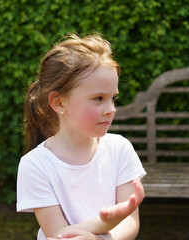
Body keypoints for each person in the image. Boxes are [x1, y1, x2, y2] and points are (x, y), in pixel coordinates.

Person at [16, 33, 146, 240]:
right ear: (59, 103)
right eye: (98, 98)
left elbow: (130, 223)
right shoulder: (35, 165)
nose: (111, 109)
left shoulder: (120, 149)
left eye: (113, 98)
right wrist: (105, 222)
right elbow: (59, 235)